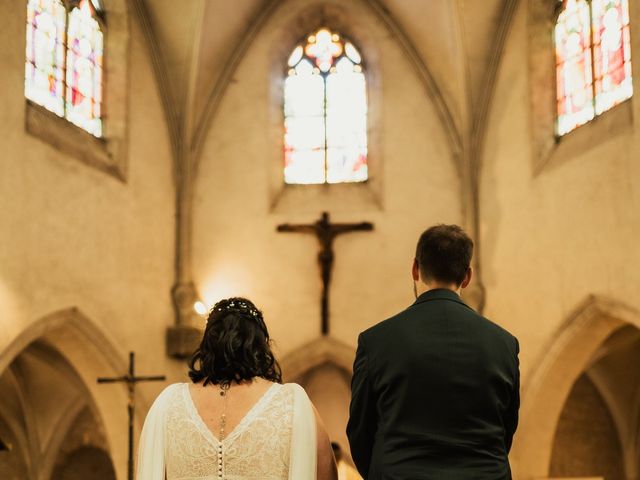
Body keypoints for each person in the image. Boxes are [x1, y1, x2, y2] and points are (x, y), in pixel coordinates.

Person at [347, 224, 520, 479]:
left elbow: (361, 433)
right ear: (468, 276)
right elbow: (506, 429)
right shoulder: (504, 343)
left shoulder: (376, 341)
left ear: (415, 268)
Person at [137, 297, 338, 480]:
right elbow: (326, 475)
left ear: (207, 344)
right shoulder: (293, 403)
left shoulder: (167, 404)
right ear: (261, 346)